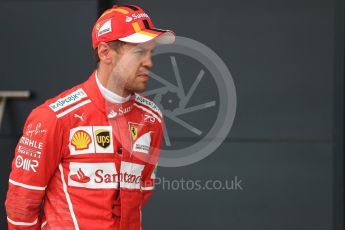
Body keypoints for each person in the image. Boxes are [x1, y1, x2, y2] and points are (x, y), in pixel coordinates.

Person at [5, 4, 175, 230]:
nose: (149, 62)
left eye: (150, 52)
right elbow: (20, 204)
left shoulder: (151, 118)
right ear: (105, 53)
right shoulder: (54, 117)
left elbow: (142, 191)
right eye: (138, 52)